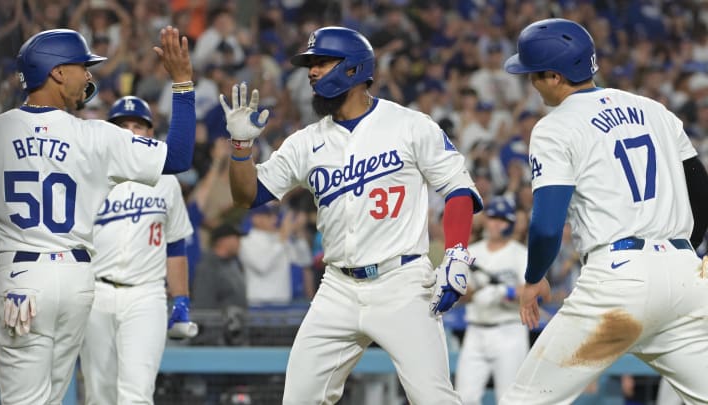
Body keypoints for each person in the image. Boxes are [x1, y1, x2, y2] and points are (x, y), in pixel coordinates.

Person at [221, 26, 483, 404]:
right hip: (338, 288)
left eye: (321, 63)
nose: (311, 72)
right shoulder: (306, 142)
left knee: (435, 398)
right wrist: (241, 148)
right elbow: (248, 195)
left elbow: (457, 188)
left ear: (353, 69)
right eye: (310, 65)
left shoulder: (409, 125)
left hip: (403, 282)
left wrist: (456, 251)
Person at [500, 18, 708, 404]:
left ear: (554, 75)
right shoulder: (655, 110)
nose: (530, 82)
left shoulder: (555, 126)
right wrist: (680, 250)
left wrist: (534, 278)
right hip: (687, 277)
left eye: (533, 74)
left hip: (619, 280)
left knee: (524, 400)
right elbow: (702, 191)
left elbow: (547, 227)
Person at [0, 26, 195, 404]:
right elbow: (179, 156)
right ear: (57, 72)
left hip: (21, 277)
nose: (89, 75)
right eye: (82, 66)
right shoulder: (94, 135)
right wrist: (182, 83)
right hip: (77, 280)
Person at [78, 96, 195, 404]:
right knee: (98, 394)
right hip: (96, 292)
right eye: (122, 126)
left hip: (147, 295)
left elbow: (176, 244)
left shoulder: (166, 180)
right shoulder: (90, 175)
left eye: (138, 126)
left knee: (137, 393)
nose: (130, 132)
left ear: (149, 133)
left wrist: (181, 299)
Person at [454, 196, 528, 405]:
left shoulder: (520, 254)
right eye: (493, 217)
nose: (497, 223)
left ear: (511, 223)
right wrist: (475, 291)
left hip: (509, 330)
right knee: (464, 398)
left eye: (503, 219)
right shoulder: (472, 252)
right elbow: (462, 294)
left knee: (509, 400)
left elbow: (533, 292)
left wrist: (505, 292)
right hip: (475, 330)